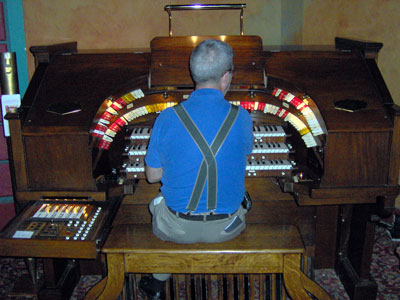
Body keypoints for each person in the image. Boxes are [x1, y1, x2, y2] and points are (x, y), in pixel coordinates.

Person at [139, 39, 253, 299]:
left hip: (177, 228)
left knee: (156, 204)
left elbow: (152, 176)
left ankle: (158, 277)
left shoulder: (167, 117)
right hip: (228, 227)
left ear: (193, 73)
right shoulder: (242, 117)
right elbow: (242, 155)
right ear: (226, 76)